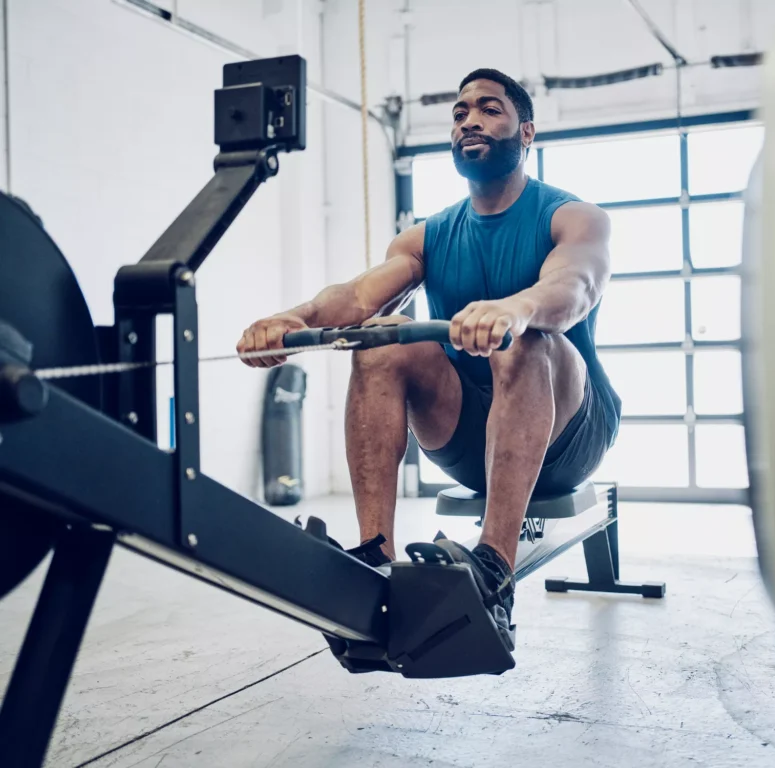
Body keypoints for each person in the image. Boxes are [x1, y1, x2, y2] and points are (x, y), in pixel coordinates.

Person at [237, 68, 621, 625]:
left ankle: (493, 570)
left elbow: (575, 288)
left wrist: (515, 308)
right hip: (468, 443)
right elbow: (356, 296)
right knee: (377, 341)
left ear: (527, 133)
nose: (470, 120)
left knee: (522, 342)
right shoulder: (427, 236)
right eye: (461, 113)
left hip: (569, 436)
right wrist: (288, 319)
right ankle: (374, 557)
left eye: (490, 109)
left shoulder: (574, 217)